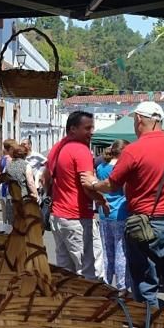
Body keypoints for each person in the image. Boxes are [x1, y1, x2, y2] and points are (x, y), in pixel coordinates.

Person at [83, 101, 164, 317]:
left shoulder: (134, 150)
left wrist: (92, 184)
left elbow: (111, 184)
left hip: (144, 225)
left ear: (139, 120)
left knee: (146, 284)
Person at [42, 111, 104, 280]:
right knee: (90, 271)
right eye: (87, 128)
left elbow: (45, 177)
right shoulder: (81, 150)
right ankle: (91, 305)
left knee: (65, 271)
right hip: (77, 217)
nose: (92, 132)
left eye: (92, 127)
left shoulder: (57, 147)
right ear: (73, 129)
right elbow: (87, 184)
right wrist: (102, 199)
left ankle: (66, 303)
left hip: (58, 216)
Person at [96, 140, 129, 292]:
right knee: (121, 252)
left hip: (104, 213)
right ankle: (122, 286)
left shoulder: (101, 167)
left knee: (107, 252)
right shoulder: (122, 169)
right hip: (121, 213)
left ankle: (107, 283)